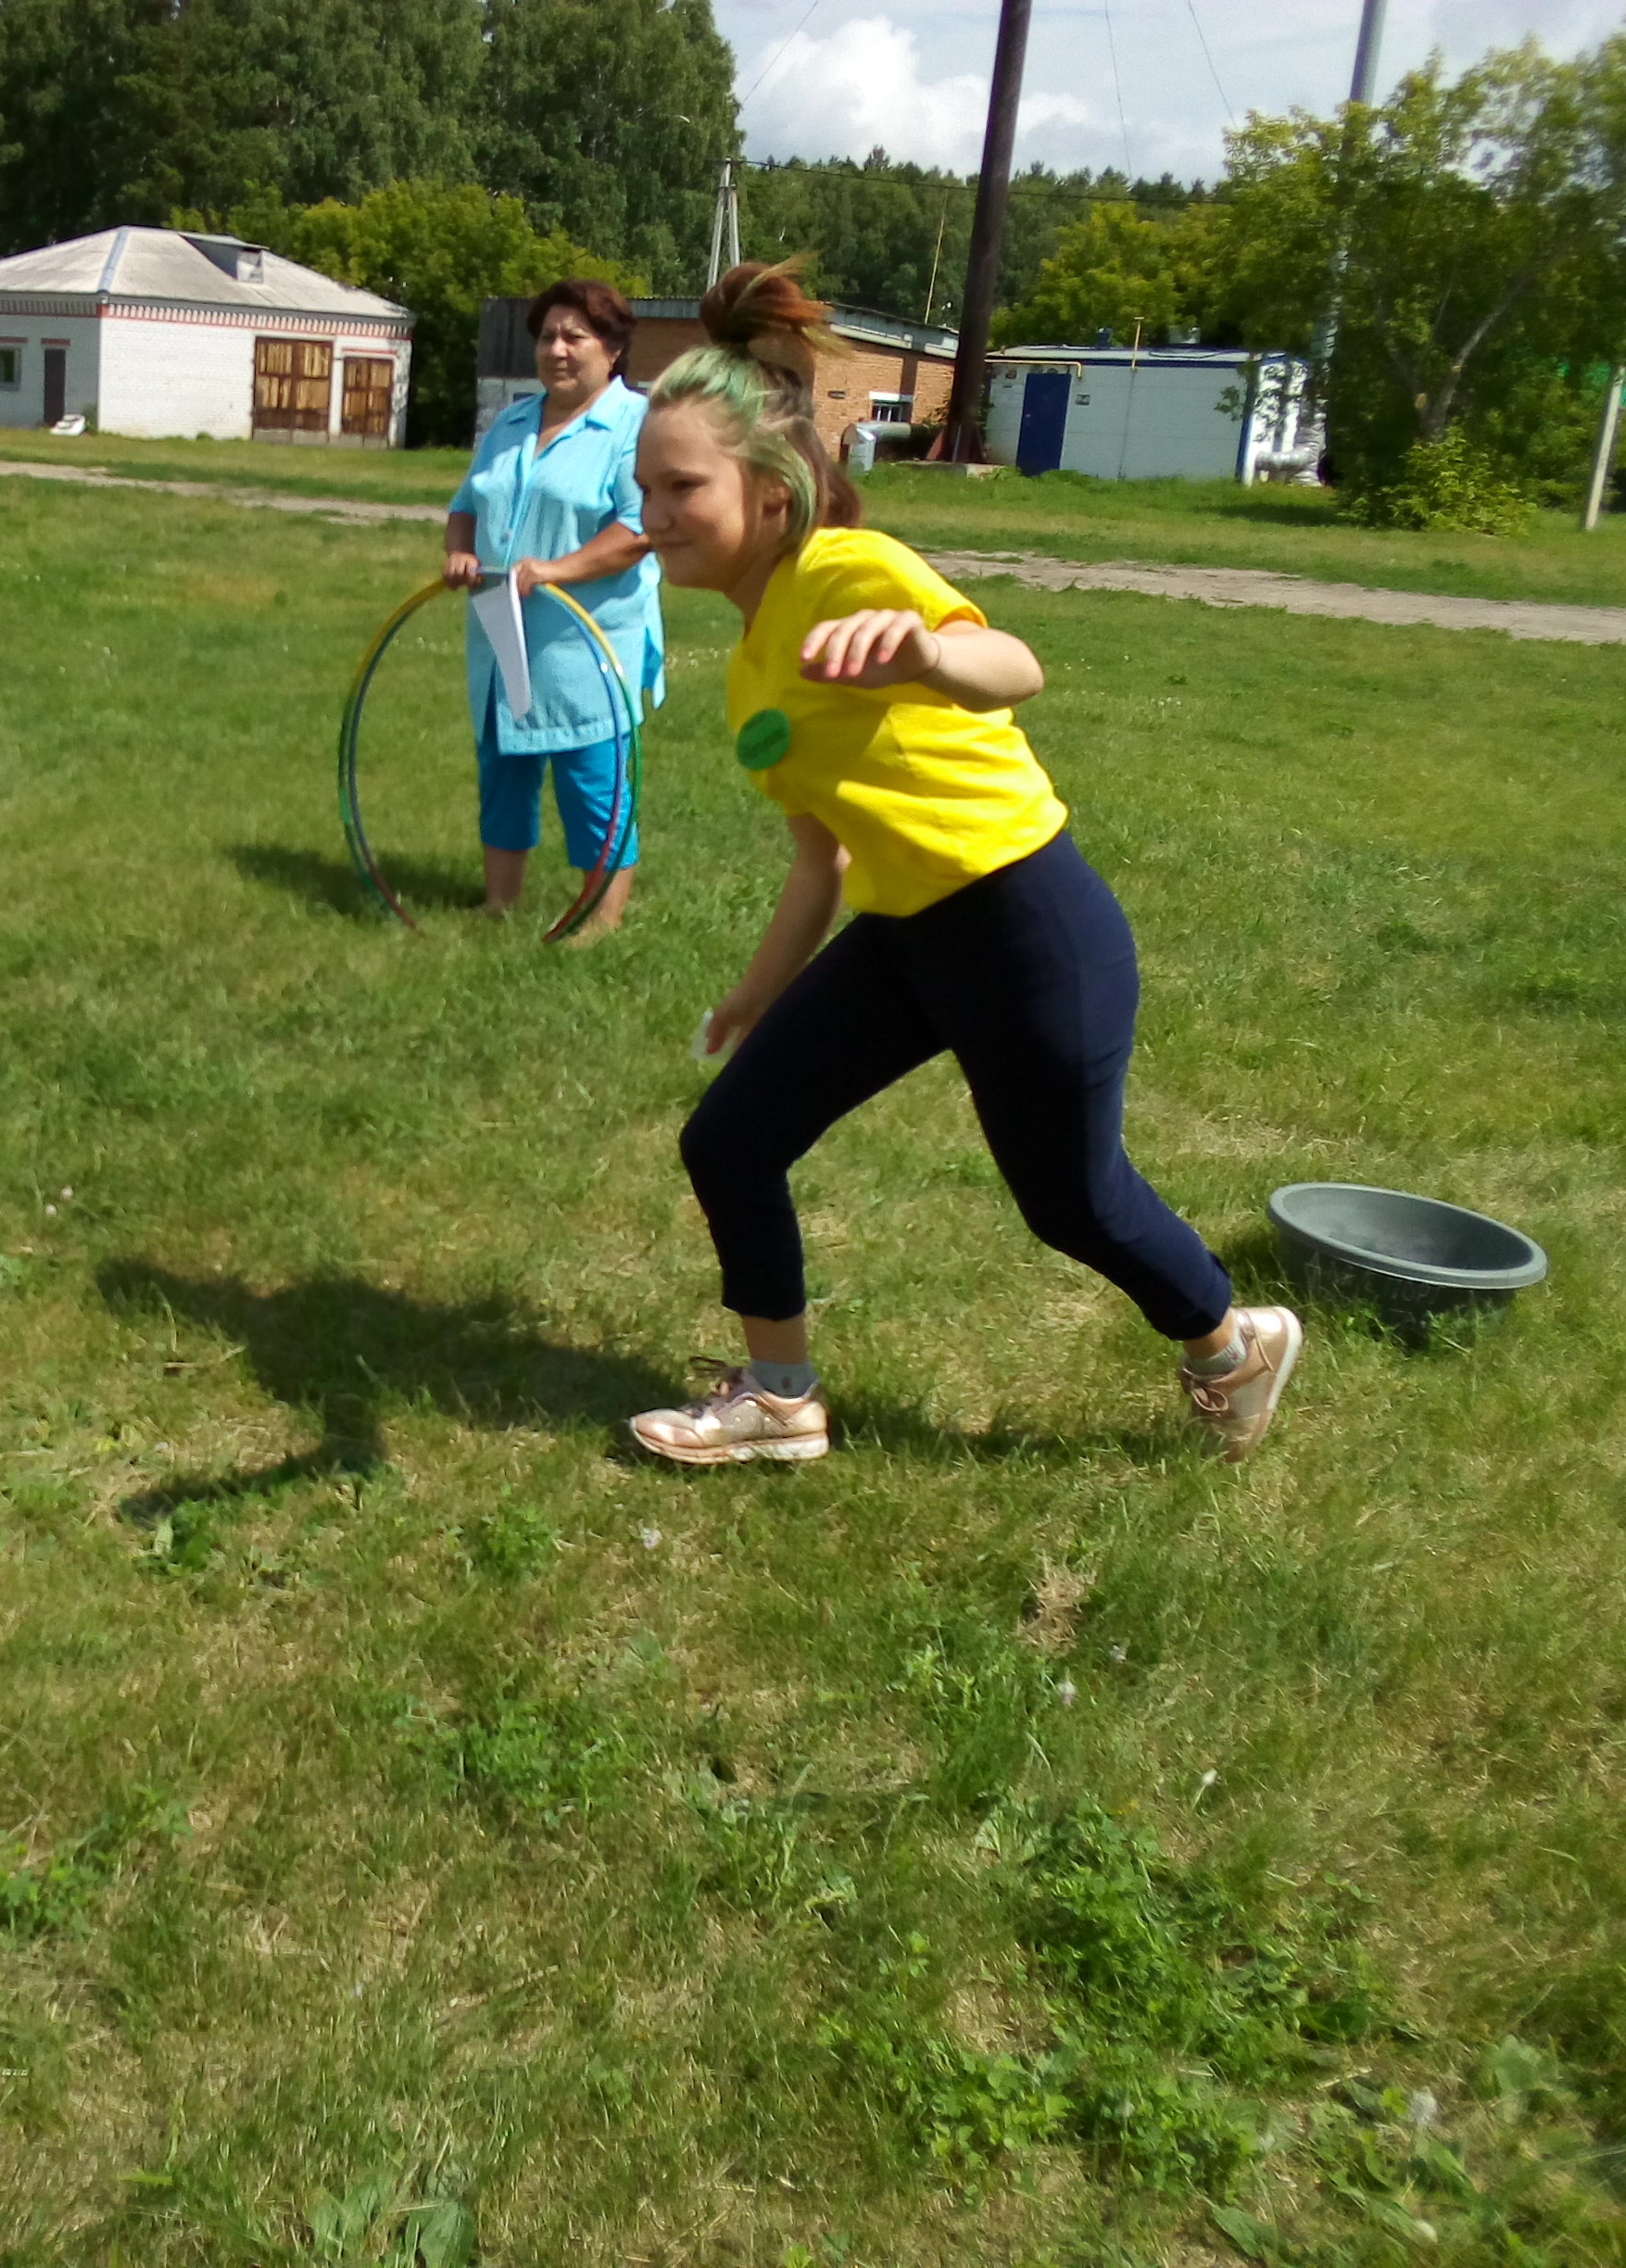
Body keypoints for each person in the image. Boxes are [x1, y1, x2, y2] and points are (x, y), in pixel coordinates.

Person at [620, 262, 1303, 1468]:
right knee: (730, 1140)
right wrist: (756, 995)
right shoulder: (750, 669)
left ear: (771, 494)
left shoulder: (846, 570)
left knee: (1073, 1203)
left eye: (682, 487)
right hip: (906, 938)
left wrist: (929, 655)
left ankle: (1233, 1343)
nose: (656, 513)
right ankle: (780, 1400)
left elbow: (1016, 668)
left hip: (1023, 922)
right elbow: (821, 858)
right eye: (646, 489)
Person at [442, 279, 664, 936]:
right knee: (505, 771)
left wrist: (555, 570)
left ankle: (600, 923)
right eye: (547, 337)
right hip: (502, 632)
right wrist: (460, 554)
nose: (557, 350)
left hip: (583, 646)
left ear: (613, 349)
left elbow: (640, 527)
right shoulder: (510, 423)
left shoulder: (636, 426)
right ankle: (499, 904)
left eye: (575, 337)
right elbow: (466, 504)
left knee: (592, 782)